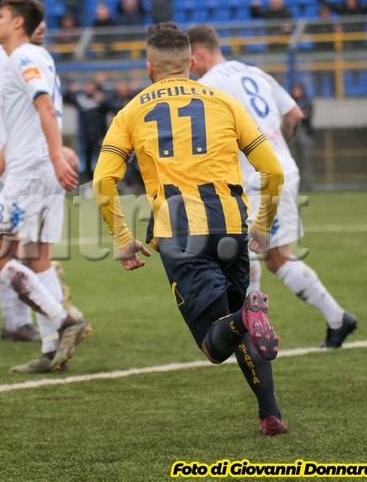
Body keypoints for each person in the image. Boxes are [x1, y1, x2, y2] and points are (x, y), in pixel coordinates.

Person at [94, 22, 287, 435]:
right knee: (236, 321)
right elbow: (272, 170)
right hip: (231, 225)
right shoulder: (225, 103)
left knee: (215, 344)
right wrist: (263, 224)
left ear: (150, 68)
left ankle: (248, 317)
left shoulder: (130, 112)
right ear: (193, 63)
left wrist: (123, 240)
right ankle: (270, 414)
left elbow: (102, 181)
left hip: (181, 233)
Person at [188, 24, 358, 349]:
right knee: (278, 258)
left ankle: (251, 334)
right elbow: (294, 114)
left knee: (246, 256)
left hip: (255, 178)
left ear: (197, 54)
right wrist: (277, 147)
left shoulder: (208, 86)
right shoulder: (255, 72)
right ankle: (338, 319)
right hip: (282, 169)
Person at [0, 0, 91, 374]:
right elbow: (18, 131)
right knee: (37, 258)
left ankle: (63, 319)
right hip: (35, 168)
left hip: (30, 173)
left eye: (0, 16)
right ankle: (51, 350)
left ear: (18, 22)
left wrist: (55, 153)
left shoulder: (22, 58)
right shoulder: (33, 57)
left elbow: (45, 107)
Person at [0, 19, 82, 342]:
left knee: (8, 253)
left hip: (20, 163)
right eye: (36, 20)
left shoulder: (13, 56)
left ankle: (35, 323)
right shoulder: (21, 57)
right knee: (27, 254)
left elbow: (34, 111)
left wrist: (53, 150)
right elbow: (31, 114)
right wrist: (55, 149)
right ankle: (49, 333)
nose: (43, 26)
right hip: (22, 162)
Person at [289, 82, 314, 192]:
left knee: (306, 161)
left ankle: (307, 185)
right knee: (293, 161)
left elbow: (306, 117)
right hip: (293, 134)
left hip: (304, 133)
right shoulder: (290, 102)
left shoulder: (307, 103)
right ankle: (296, 185)